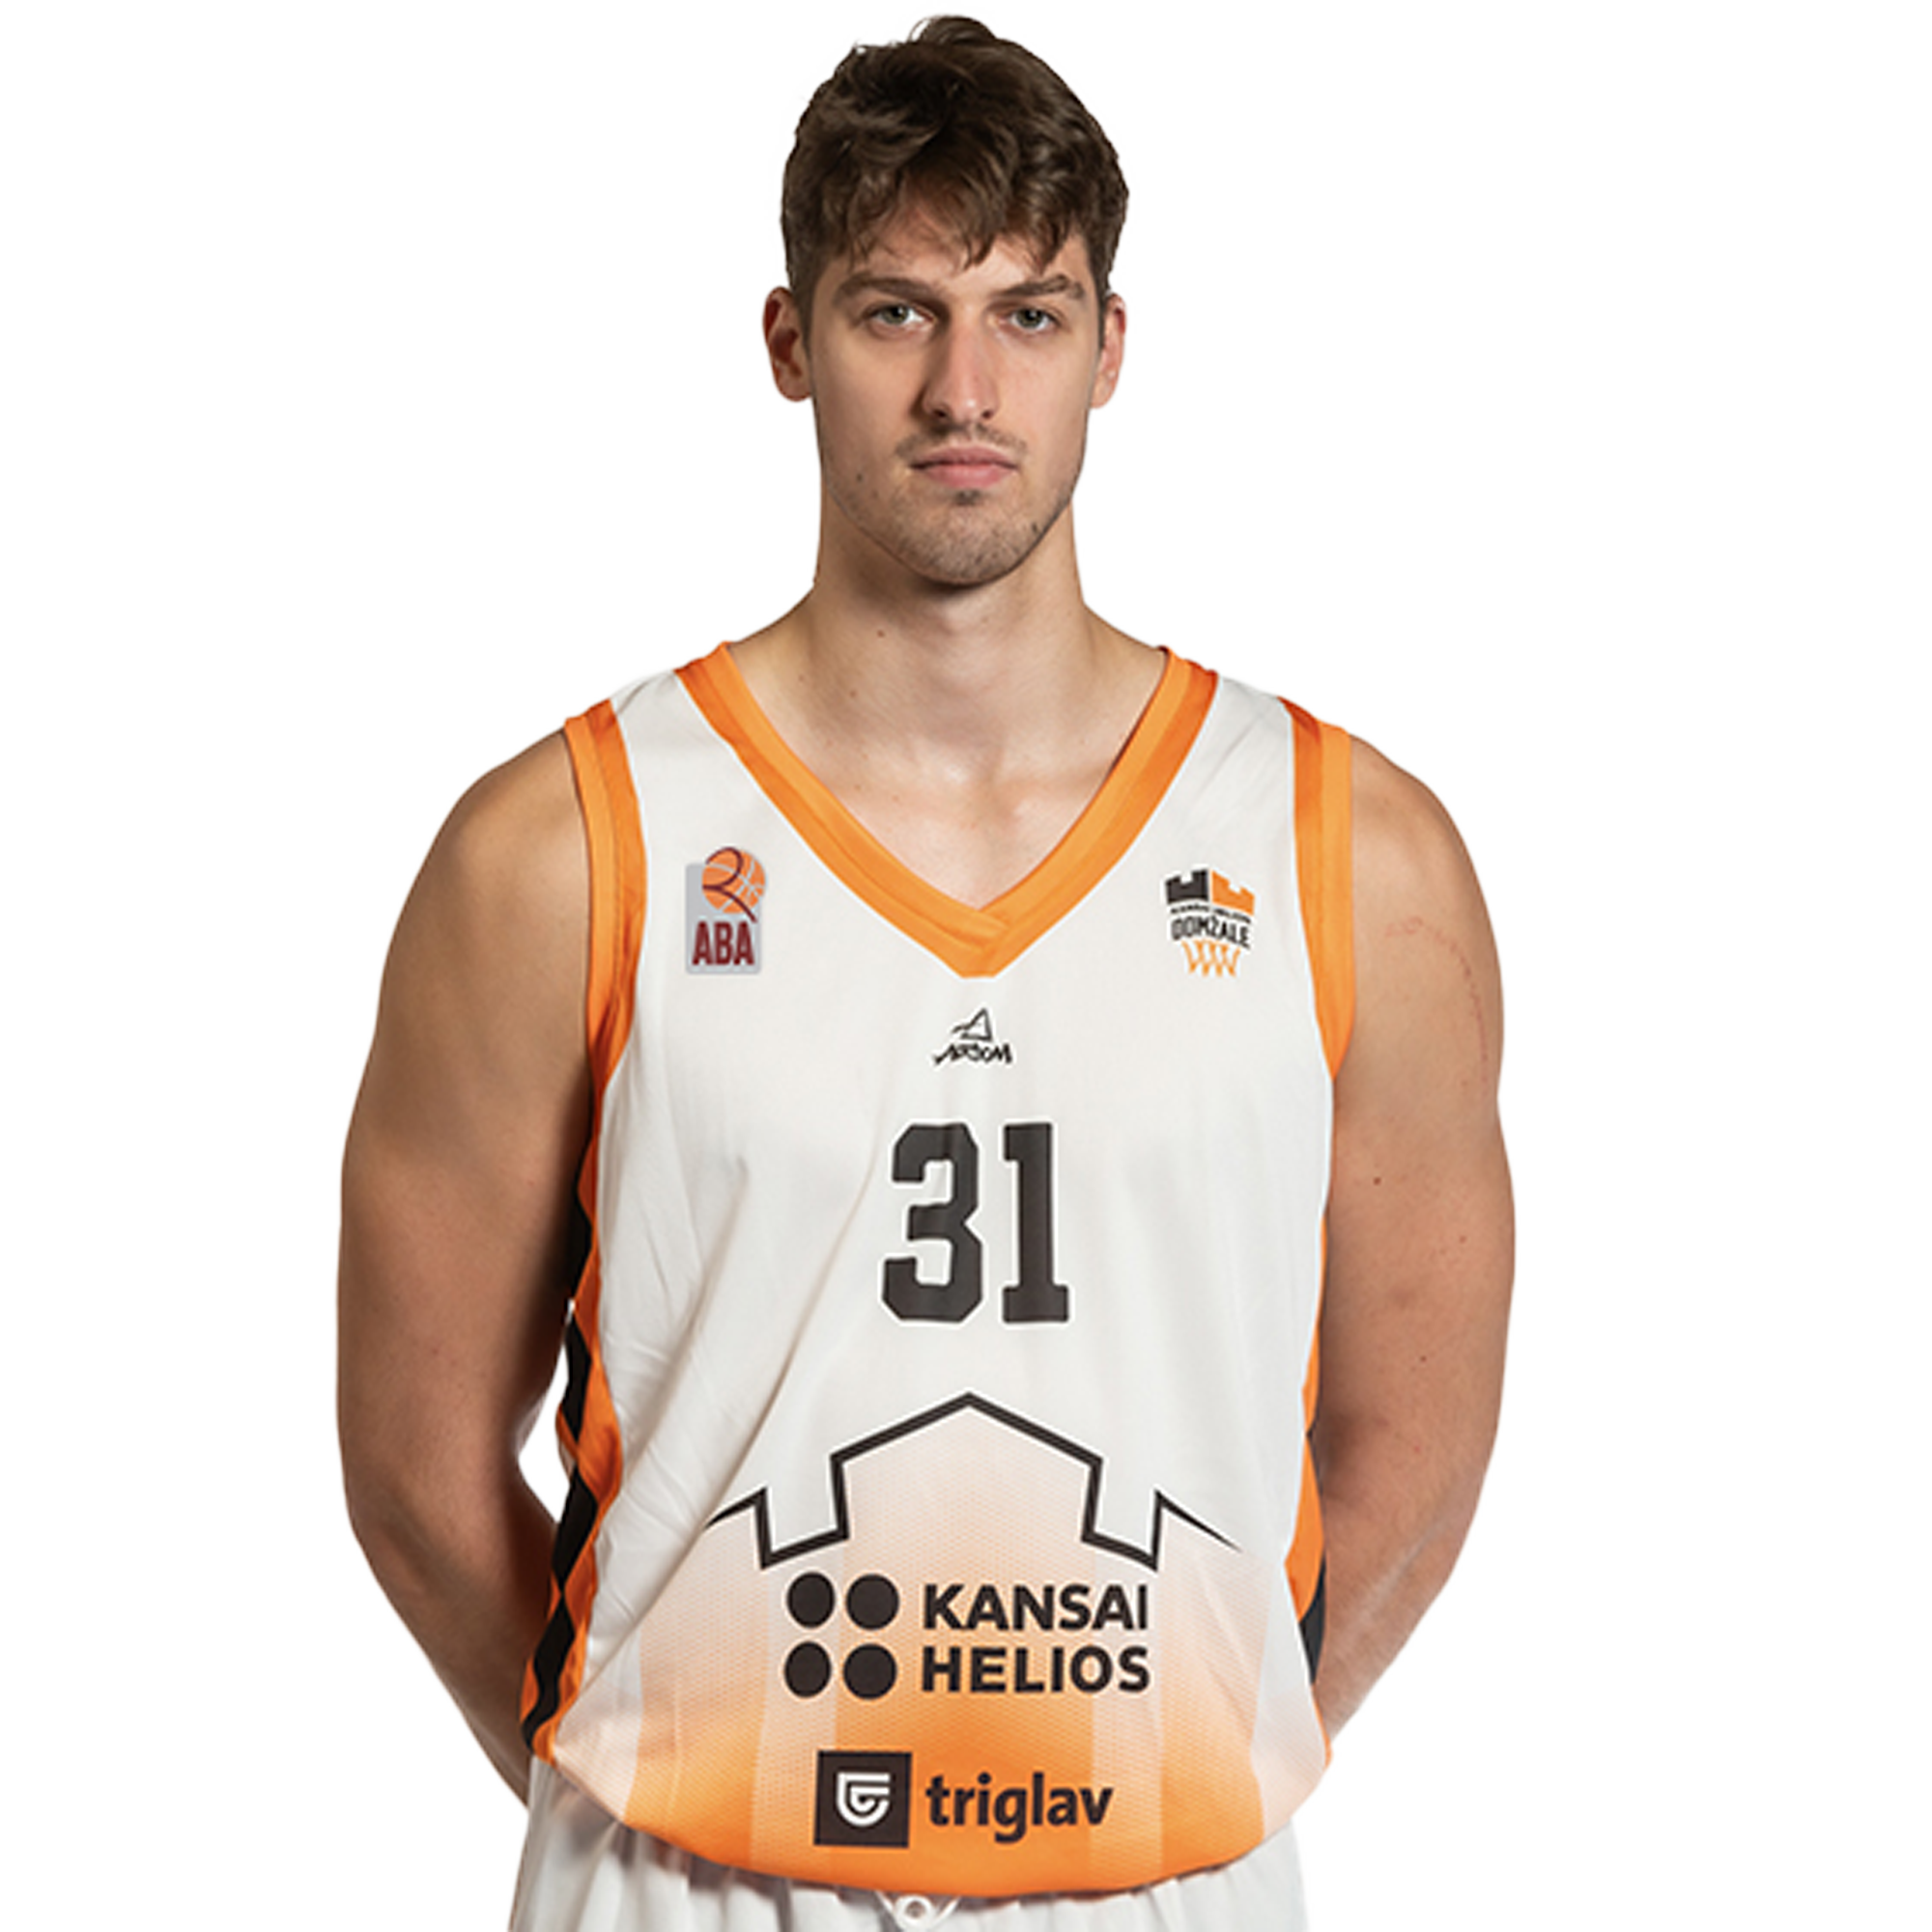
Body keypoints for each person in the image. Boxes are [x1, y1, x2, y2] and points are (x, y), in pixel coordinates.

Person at [338, 14, 1513, 1930]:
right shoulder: (560, 849)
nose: (965, 388)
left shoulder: (1349, 851)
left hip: (1159, 1885)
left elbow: (1418, 1448)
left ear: (1108, 347)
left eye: (1028, 316)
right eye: (896, 311)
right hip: (681, 1887)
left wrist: (1176, 1757)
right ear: (790, 341)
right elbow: (411, 1463)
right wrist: (644, 1777)